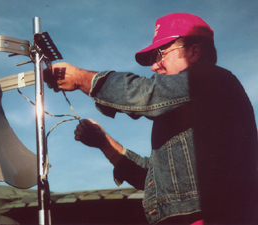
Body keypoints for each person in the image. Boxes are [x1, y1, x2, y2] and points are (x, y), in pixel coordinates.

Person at [44, 13, 258, 224]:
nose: (154, 66)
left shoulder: (213, 78)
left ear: (194, 52)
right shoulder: (190, 113)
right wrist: (104, 143)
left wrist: (81, 78)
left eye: (160, 54)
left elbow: (144, 94)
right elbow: (155, 181)